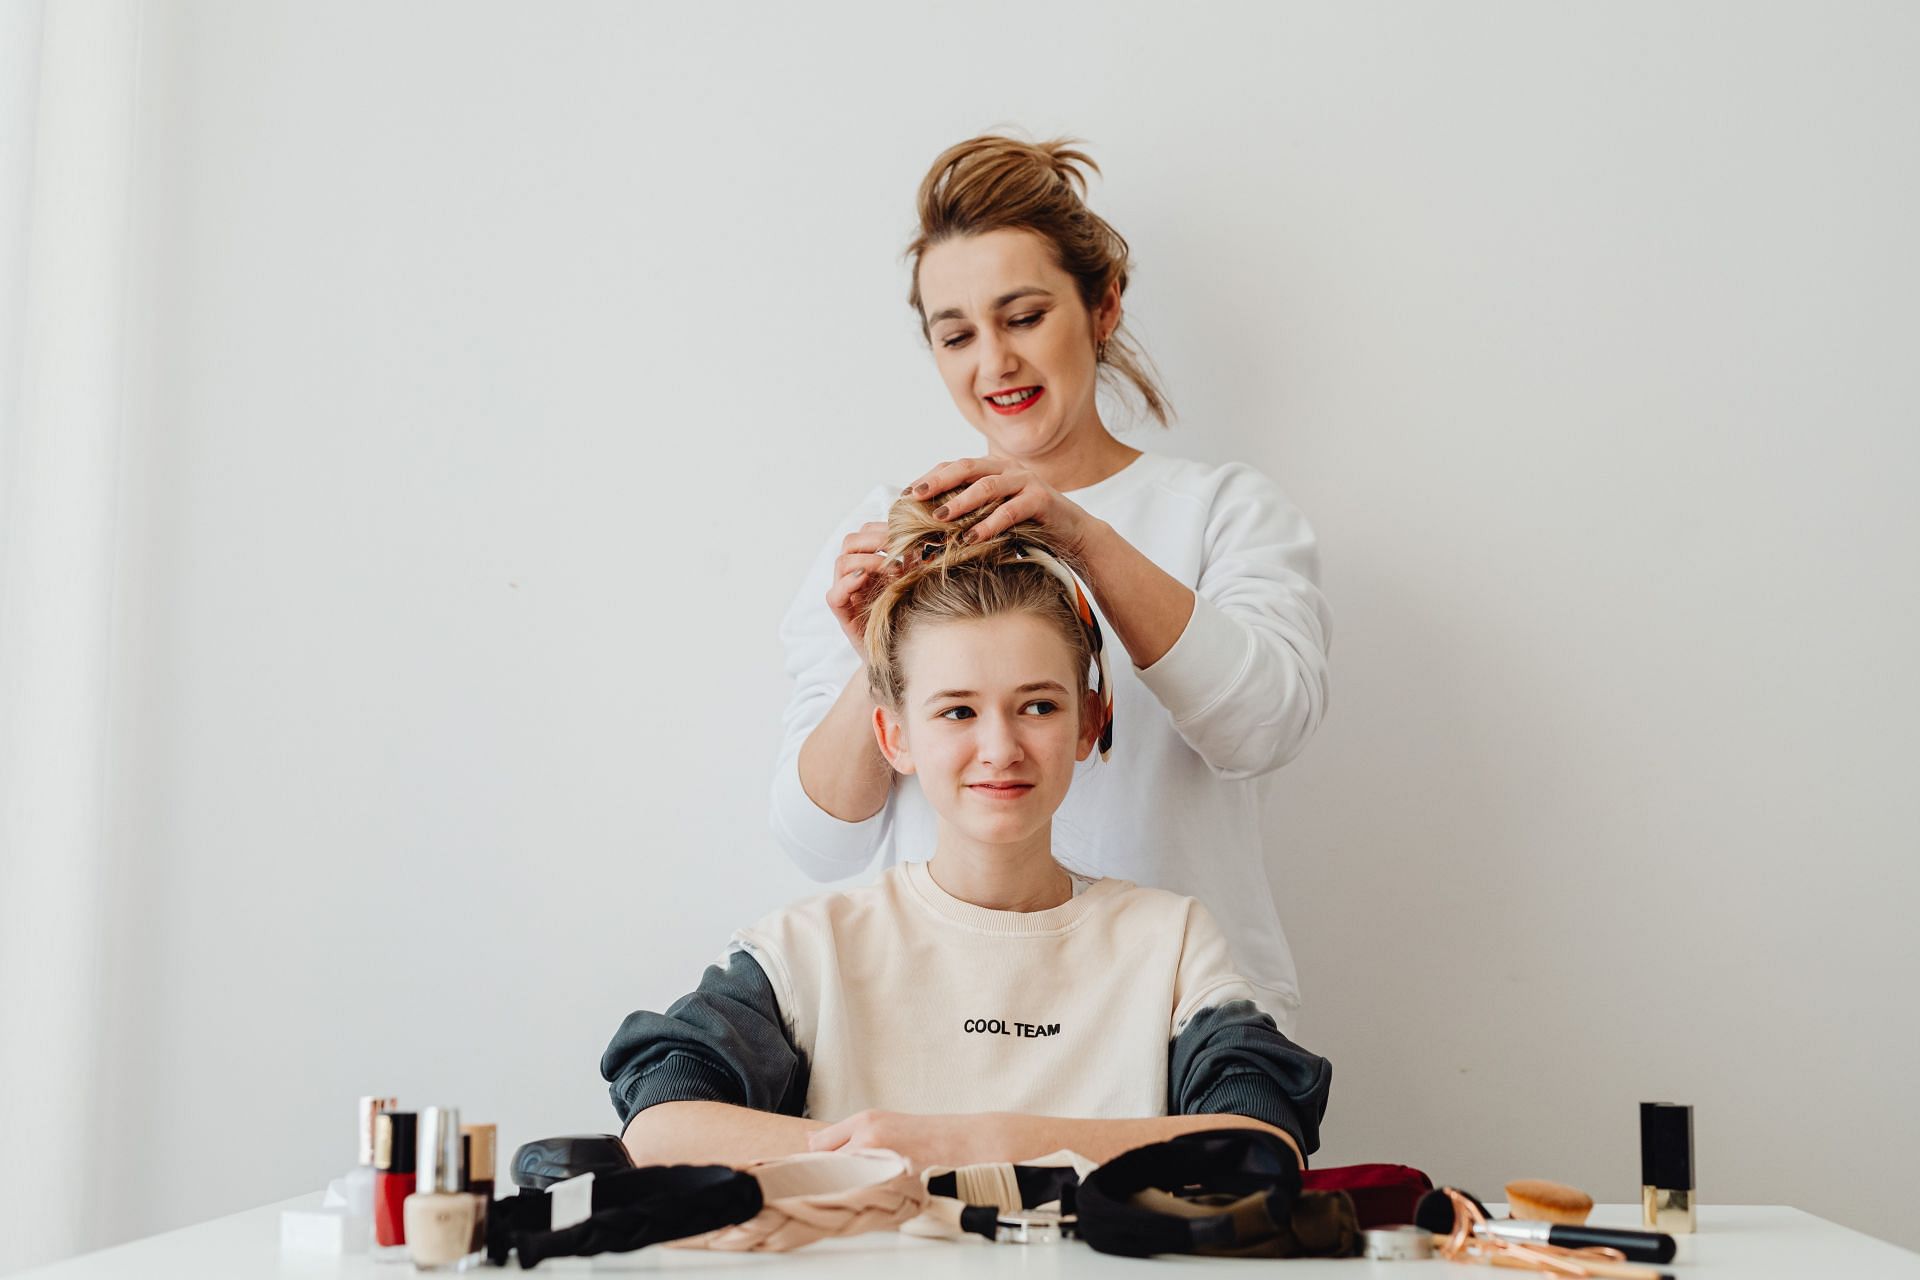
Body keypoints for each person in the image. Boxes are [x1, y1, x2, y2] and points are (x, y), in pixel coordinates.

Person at [773, 135, 1332, 1032]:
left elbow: (1262, 726)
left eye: (1024, 317)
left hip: (1185, 1021)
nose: (992, 362)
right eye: (955, 335)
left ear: (1104, 307)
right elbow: (818, 840)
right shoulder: (885, 527)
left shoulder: (1224, 510)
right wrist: (875, 658)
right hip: (954, 1018)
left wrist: (1083, 536)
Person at [603, 496, 1331, 1173]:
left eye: (1038, 706)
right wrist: (891, 1154)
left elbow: (1261, 1146)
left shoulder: (1169, 942)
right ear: (895, 737)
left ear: (1089, 722)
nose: (1001, 747)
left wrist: (977, 1141)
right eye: (957, 712)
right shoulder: (811, 949)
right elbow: (659, 1127)